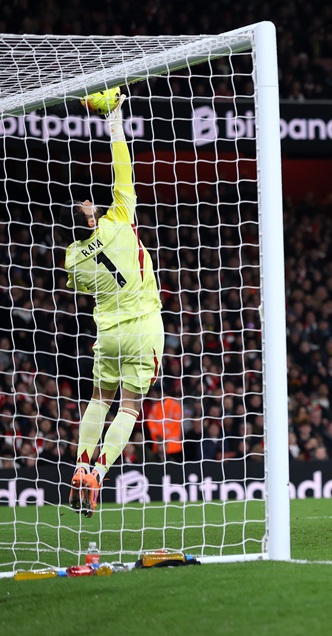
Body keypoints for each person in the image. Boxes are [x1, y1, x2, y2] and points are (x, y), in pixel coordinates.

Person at [62, 88, 165, 518]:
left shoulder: (70, 258)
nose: (90, 203)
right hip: (143, 326)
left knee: (98, 400)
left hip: (105, 333)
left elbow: (79, 287)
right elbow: (122, 165)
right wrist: (115, 117)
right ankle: (100, 473)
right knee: (128, 407)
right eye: (86, 206)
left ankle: (80, 465)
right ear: (89, 217)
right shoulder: (119, 217)